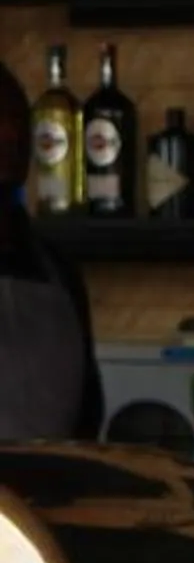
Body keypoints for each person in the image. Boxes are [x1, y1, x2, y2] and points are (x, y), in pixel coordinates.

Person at [0, 62, 104, 442]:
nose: (10, 135)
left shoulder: (58, 271)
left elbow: (88, 413)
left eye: (17, 120)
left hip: (51, 495)